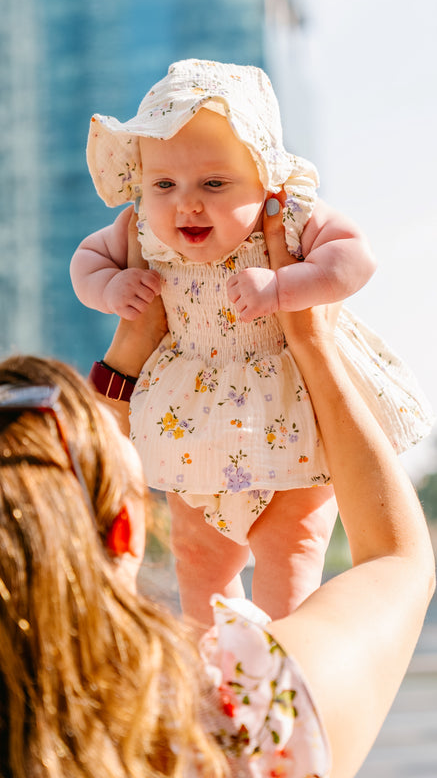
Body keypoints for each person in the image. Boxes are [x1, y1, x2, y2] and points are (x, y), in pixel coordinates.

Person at [0, 206, 434, 778]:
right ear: (125, 530)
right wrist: (313, 346)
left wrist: (131, 350)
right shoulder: (229, 726)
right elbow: (398, 559)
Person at [71, 58, 434, 626]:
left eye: (214, 183)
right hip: (192, 424)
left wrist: (287, 284)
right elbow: (84, 262)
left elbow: (355, 258)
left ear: (267, 178)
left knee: (290, 554)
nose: (187, 203)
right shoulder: (139, 229)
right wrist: (113, 287)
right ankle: (215, 665)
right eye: (164, 184)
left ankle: (275, 660)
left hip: (292, 412)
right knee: (196, 558)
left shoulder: (291, 217)